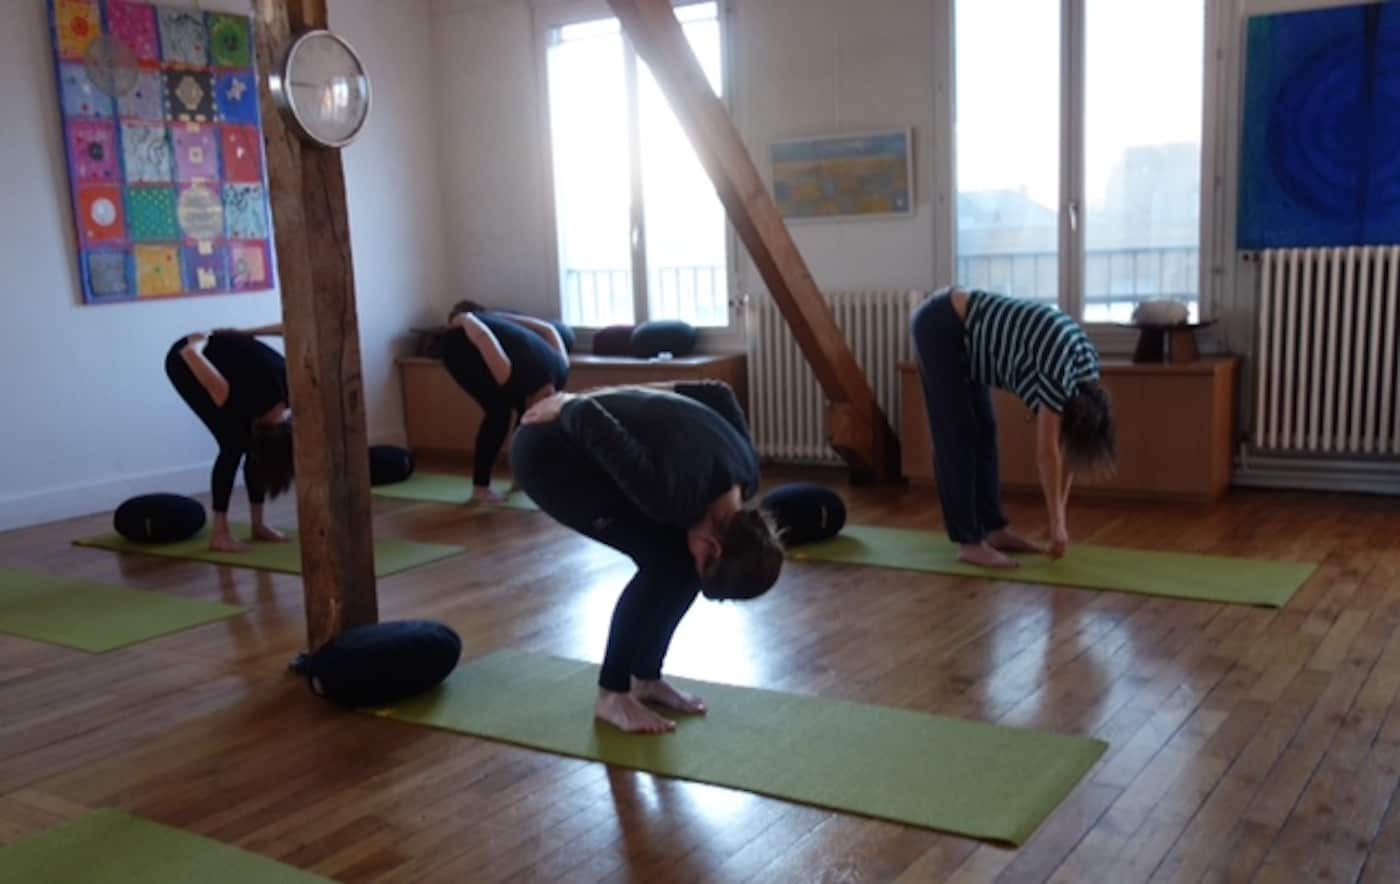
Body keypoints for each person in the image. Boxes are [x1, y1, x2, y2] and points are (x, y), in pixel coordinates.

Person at [511, 380, 784, 734]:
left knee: (677, 561)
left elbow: (717, 392)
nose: (697, 563)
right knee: (665, 563)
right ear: (715, 547)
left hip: (590, 434)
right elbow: (583, 414)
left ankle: (647, 678)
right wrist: (568, 402)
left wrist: (627, 400)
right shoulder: (667, 495)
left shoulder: (746, 474)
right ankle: (611, 694)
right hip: (547, 453)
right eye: (705, 563)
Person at [911, 287, 1116, 569]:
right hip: (940, 324)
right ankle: (969, 543)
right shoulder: (1060, 375)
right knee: (957, 436)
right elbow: (1048, 452)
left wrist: (1059, 520)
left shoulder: (1087, 372)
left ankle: (993, 529)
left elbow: (1066, 451)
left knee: (985, 430)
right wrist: (1057, 524)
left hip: (970, 338)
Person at [165, 324, 294, 553]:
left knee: (245, 443)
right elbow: (191, 355)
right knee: (232, 444)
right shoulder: (230, 394)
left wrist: (246, 334)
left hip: (231, 355)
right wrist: (199, 342)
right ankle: (220, 535)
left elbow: (290, 327)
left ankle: (259, 525)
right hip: (186, 358)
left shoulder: (297, 390)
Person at [441, 301, 569, 503]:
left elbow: (549, 329)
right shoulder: (508, 373)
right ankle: (480, 489)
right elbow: (483, 338)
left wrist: (499, 317)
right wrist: (466, 318)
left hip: (497, 342)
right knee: (498, 412)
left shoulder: (561, 368)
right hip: (459, 343)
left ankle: (520, 477)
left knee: (521, 411)